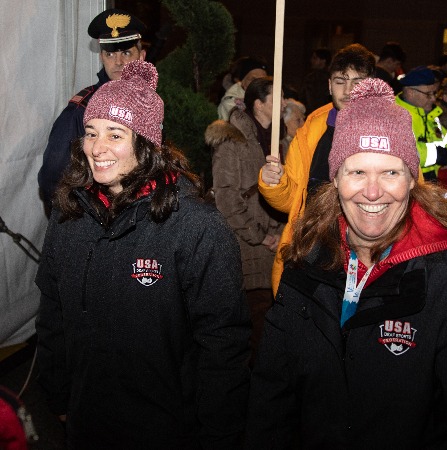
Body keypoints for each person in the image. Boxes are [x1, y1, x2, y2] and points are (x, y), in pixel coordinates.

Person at [245, 78, 447, 449]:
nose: (372, 191)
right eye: (357, 172)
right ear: (335, 179)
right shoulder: (305, 264)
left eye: (390, 172)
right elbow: (271, 398)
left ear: (412, 180)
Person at [35, 61, 250, 448]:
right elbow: (52, 316)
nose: (97, 148)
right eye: (90, 133)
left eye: (115, 134)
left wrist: (219, 434)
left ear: (148, 143)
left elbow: (223, 347)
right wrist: (59, 395)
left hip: (169, 429)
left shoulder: (197, 227)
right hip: (86, 423)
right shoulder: (69, 215)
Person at [259, 43, 374, 294]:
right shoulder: (313, 128)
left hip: (368, 254)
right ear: (329, 85)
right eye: (341, 81)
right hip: (314, 251)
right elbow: (293, 200)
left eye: (358, 81)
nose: (348, 90)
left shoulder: (389, 129)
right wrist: (274, 183)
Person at [206, 77, 287, 355]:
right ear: (259, 104)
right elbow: (226, 196)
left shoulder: (279, 140)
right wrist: (261, 235)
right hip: (247, 245)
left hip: (277, 245)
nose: (284, 103)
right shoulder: (232, 140)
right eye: (278, 98)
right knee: (254, 323)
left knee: (271, 323)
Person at [38, 8, 147, 209]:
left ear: (141, 56)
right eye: (110, 53)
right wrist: (85, 225)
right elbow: (52, 178)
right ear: (101, 57)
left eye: (126, 52)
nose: (119, 62)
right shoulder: (82, 110)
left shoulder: (148, 104)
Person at [395, 66, 447, 185]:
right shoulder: (395, 115)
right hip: (407, 184)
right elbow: (402, 153)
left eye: (435, 93)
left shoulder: (429, 114)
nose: (433, 99)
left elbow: (446, 137)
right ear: (410, 92)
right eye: (428, 94)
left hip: (430, 181)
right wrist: (439, 155)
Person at [299, 48, 332, 112]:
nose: (311, 60)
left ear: (323, 60)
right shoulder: (310, 77)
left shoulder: (330, 78)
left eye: (315, 58)